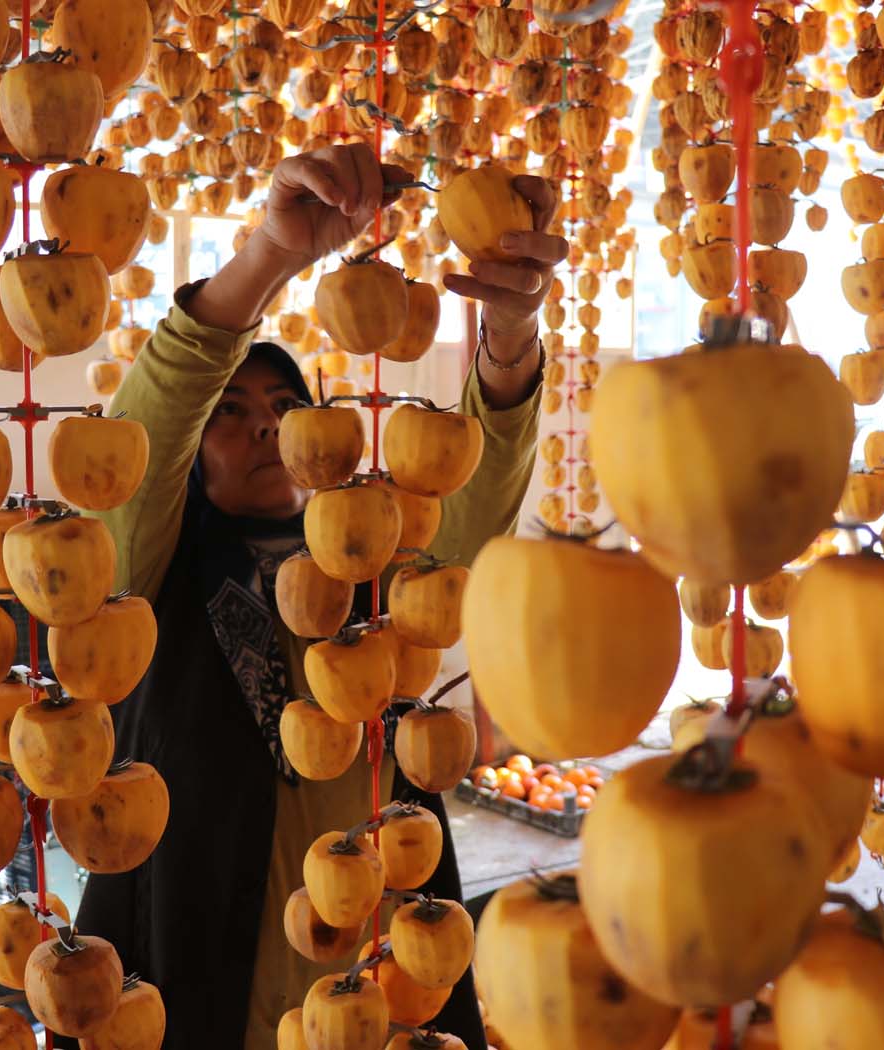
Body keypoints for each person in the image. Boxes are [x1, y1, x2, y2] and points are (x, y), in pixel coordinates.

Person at [73, 142, 567, 1050]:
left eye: (280, 403)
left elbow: (474, 508)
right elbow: (135, 455)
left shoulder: (370, 562)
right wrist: (268, 257)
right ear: (190, 450)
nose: (261, 419)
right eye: (228, 409)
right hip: (214, 941)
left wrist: (509, 336)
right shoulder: (144, 585)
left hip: (382, 943)